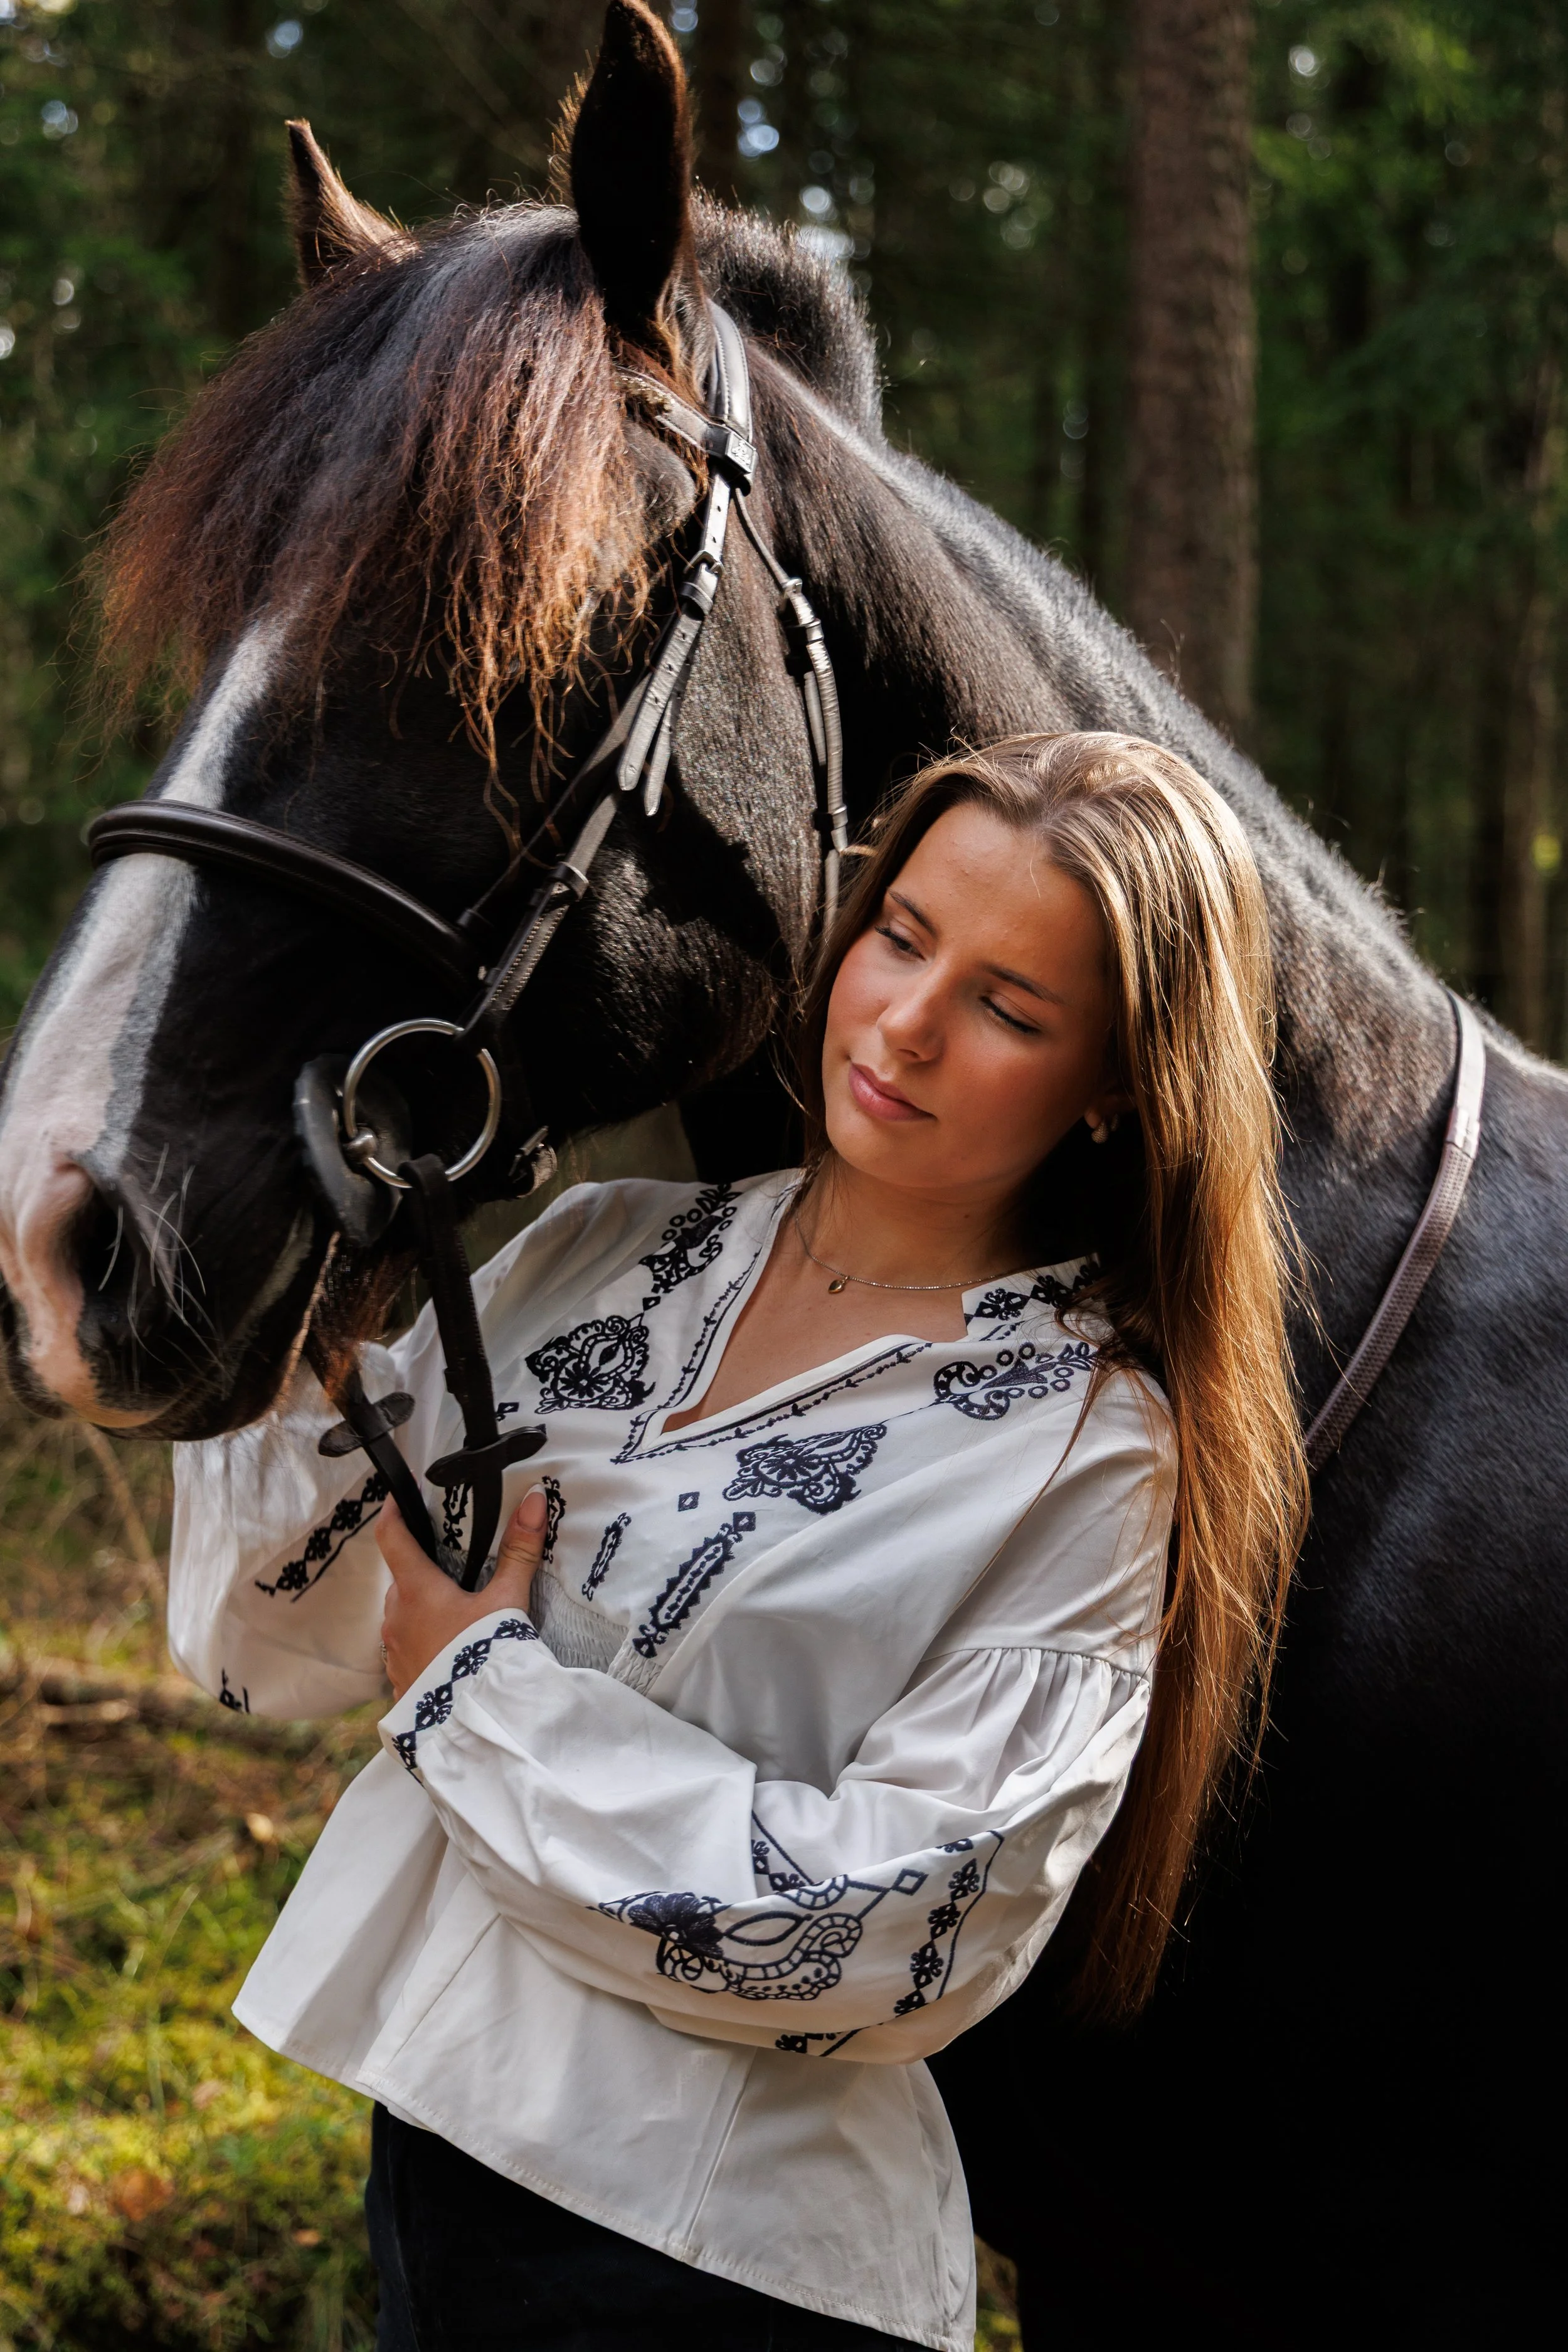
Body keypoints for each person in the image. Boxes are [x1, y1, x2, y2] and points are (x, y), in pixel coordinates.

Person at [167, 731, 1307, 2352]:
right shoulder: (606, 1248)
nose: (904, 1023)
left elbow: (894, 1915)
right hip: (439, 2157)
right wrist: (270, 1320)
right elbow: (272, 1631)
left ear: (1116, 1085)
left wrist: (477, 1696)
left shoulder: (1084, 1443)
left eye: (1006, 1007)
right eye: (900, 936)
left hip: (723, 2259)